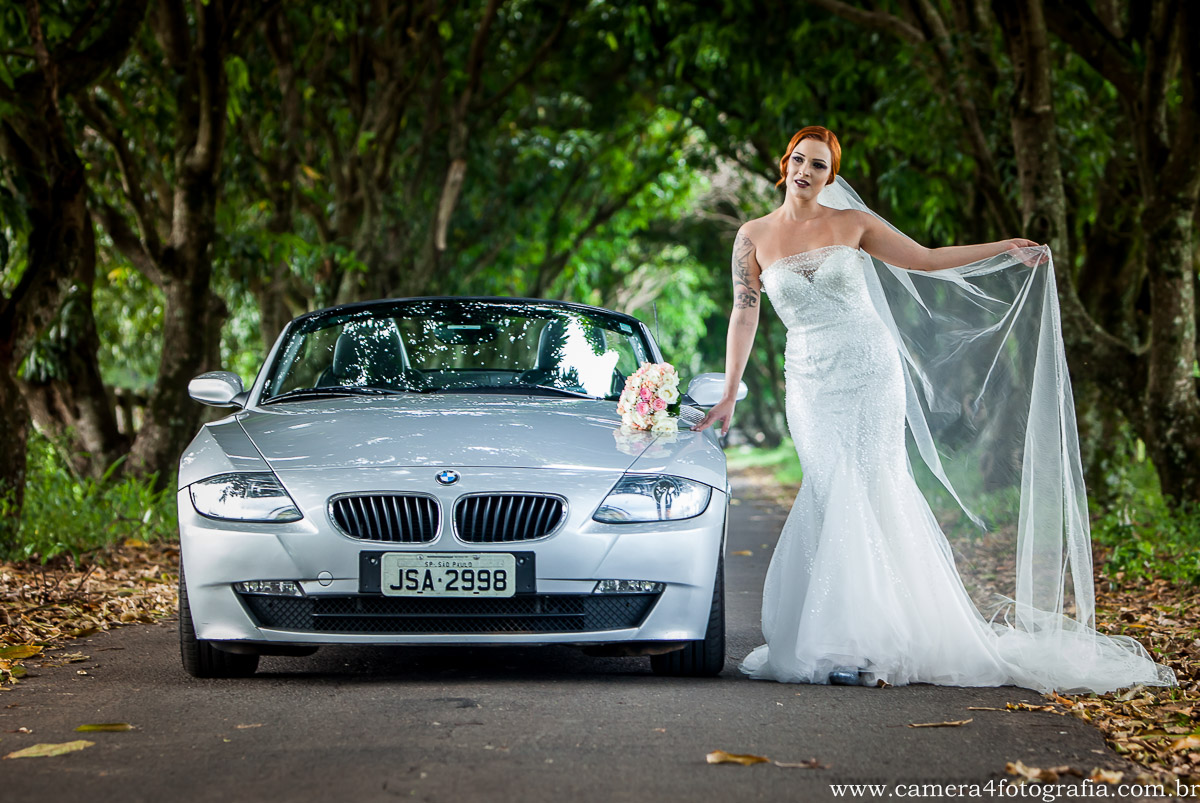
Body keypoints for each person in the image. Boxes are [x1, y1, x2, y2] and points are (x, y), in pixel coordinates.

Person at [695, 126, 1175, 692]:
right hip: (809, 381)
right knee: (829, 488)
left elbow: (924, 260)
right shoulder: (752, 237)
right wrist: (729, 390)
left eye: (819, 165)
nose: (806, 172)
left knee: (870, 484)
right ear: (784, 164)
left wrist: (1003, 249)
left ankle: (867, 647)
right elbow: (744, 314)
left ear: (831, 174)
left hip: (870, 371)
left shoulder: (853, 224)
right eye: (799, 160)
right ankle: (842, 634)